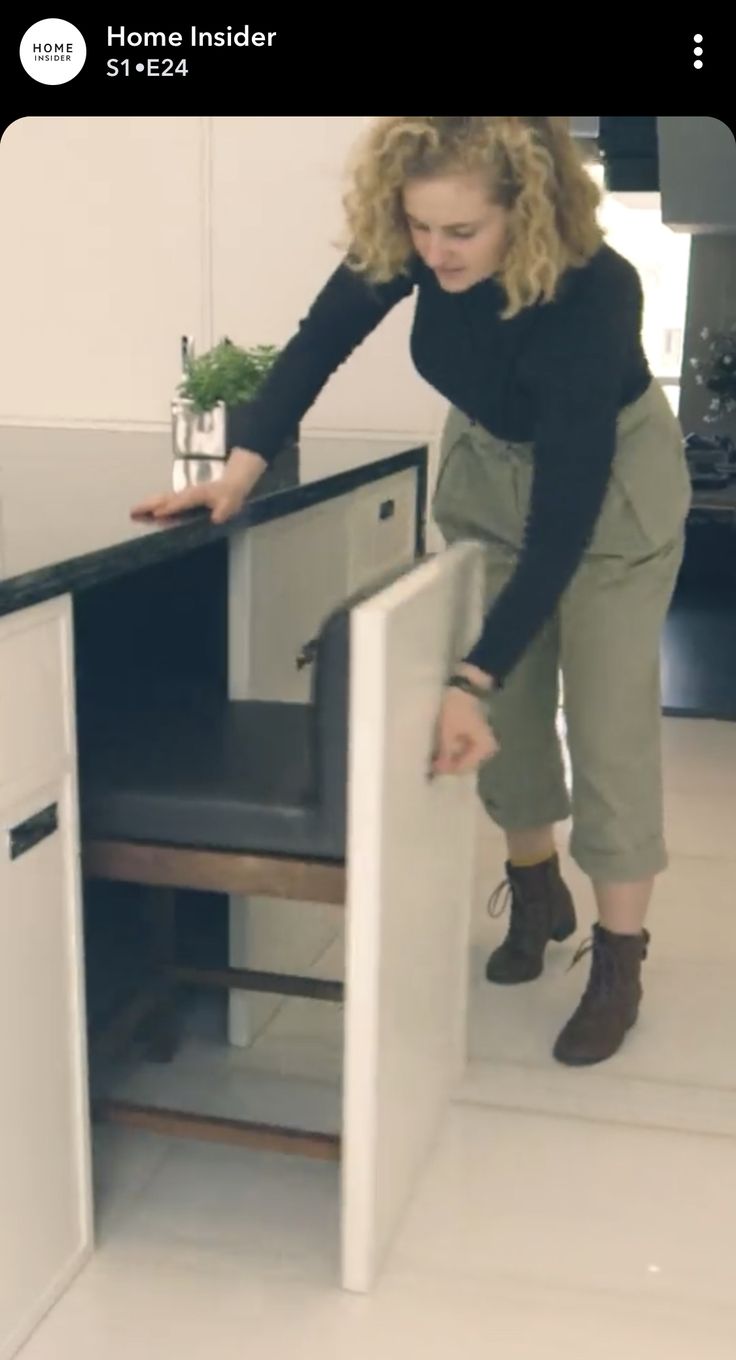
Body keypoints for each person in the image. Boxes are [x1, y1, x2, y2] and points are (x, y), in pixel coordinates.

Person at [132, 116, 692, 1068]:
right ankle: (535, 886)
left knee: (606, 723)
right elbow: (318, 343)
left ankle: (620, 959)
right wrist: (239, 471)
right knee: (499, 708)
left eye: (460, 234)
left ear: (528, 209)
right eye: (420, 229)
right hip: (487, 466)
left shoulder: (593, 294)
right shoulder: (418, 238)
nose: (433, 253)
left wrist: (467, 673)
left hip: (609, 501)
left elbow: (562, 521)